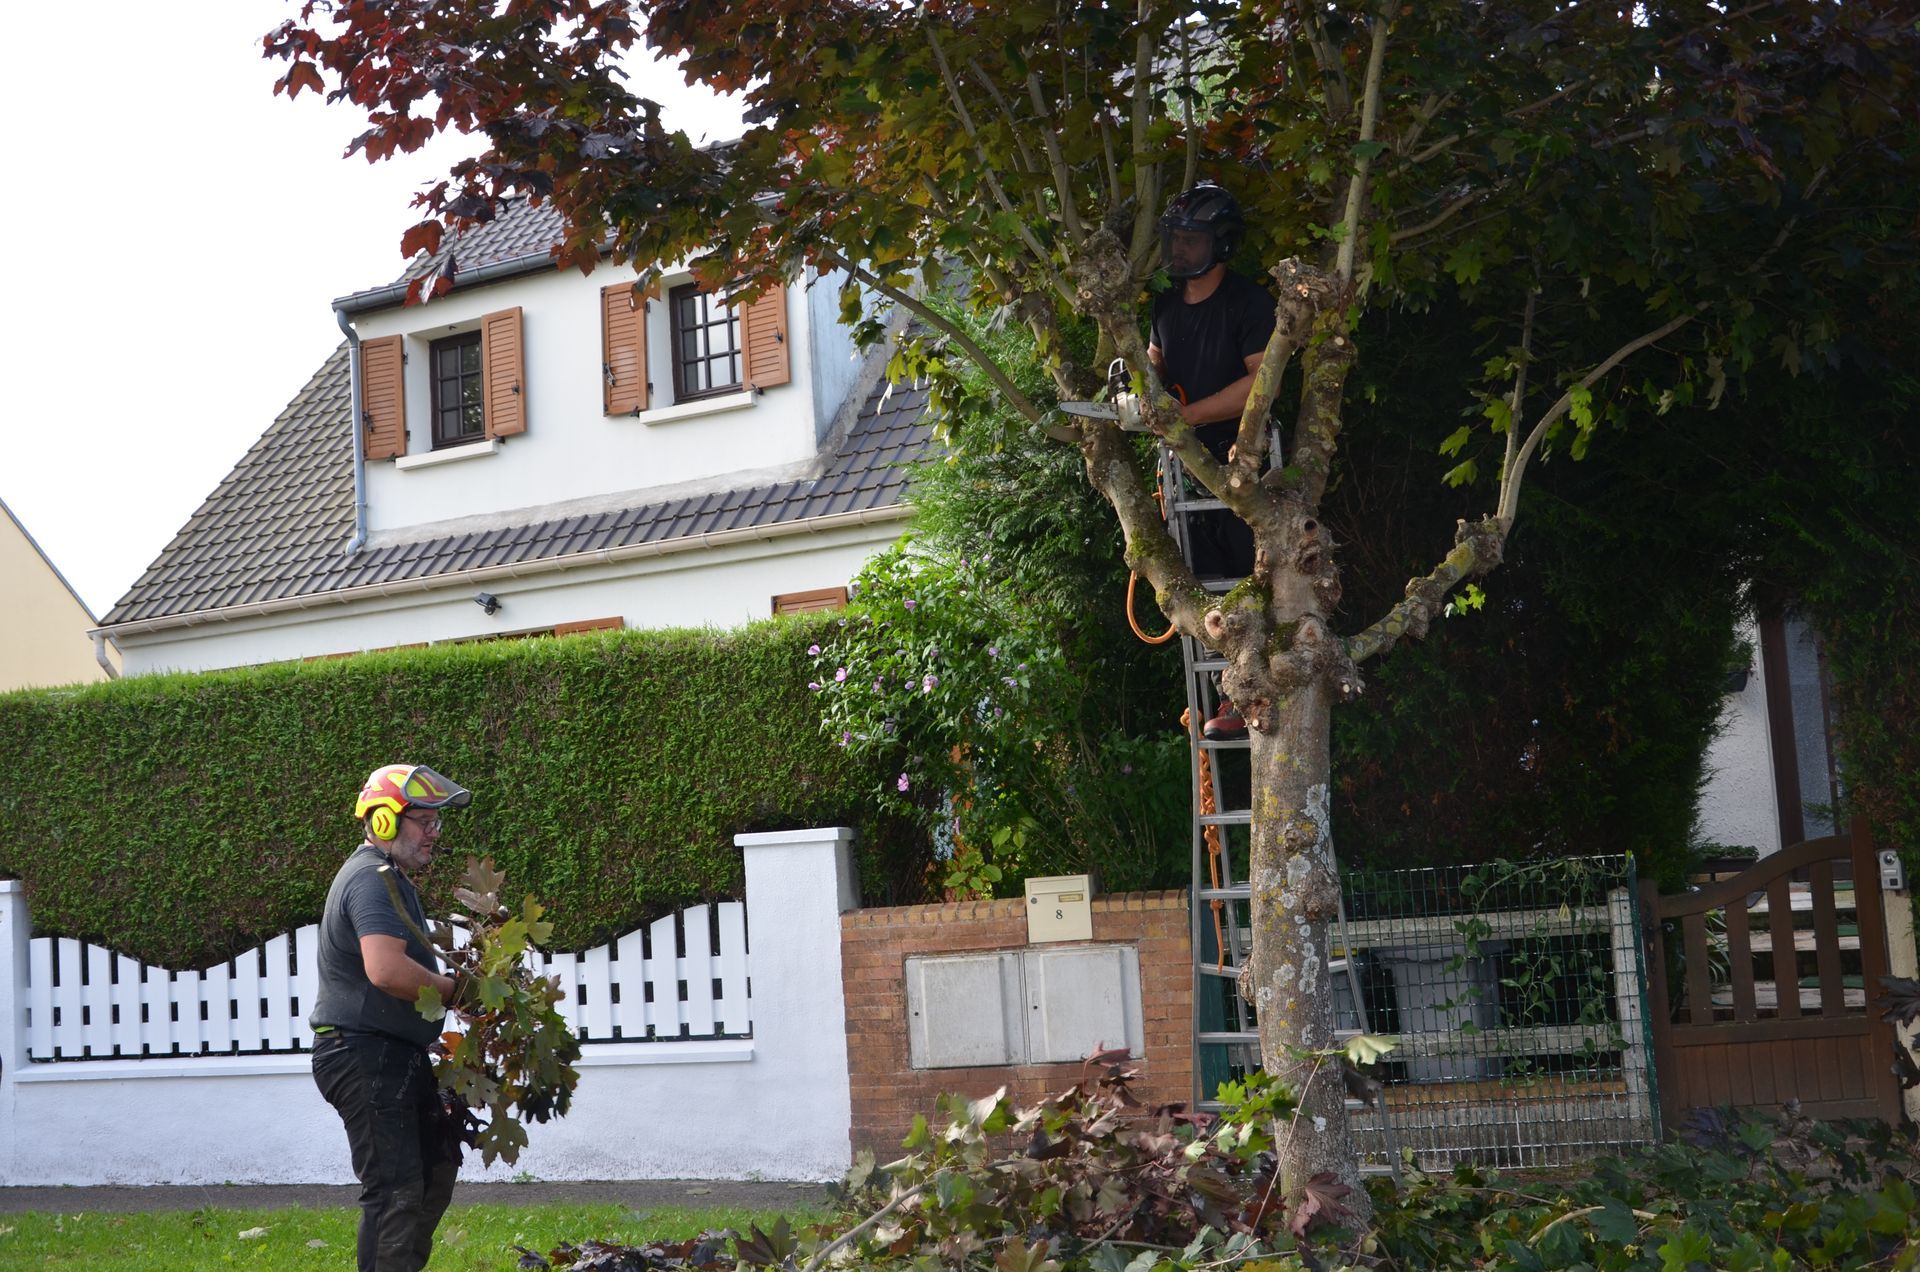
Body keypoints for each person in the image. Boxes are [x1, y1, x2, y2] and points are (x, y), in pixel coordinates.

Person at [310, 763, 471, 1272]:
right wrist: (456, 990)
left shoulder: (392, 880)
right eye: (423, 821)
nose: (433, 833)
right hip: (361, 1054)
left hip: (389, 1053)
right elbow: (383, 970)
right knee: (395, 1188)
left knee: (433, 1169)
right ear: (383, 821)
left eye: (436, 823)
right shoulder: (372, 879)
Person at [1148, 183, 1277, 740]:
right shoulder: (1164, 307)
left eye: (1191, 242)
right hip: (1185, 462)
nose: (1179, 252)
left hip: (1240, 458)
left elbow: (1258, 384)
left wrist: (1190, 414)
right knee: (1199, 582)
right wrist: (1138, 392)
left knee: (1249, 577)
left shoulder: (1249, 304)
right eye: (1175, 240)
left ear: (1220, 245)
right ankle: (1217, 697)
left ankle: (1247, 694)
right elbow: (1152, 364)